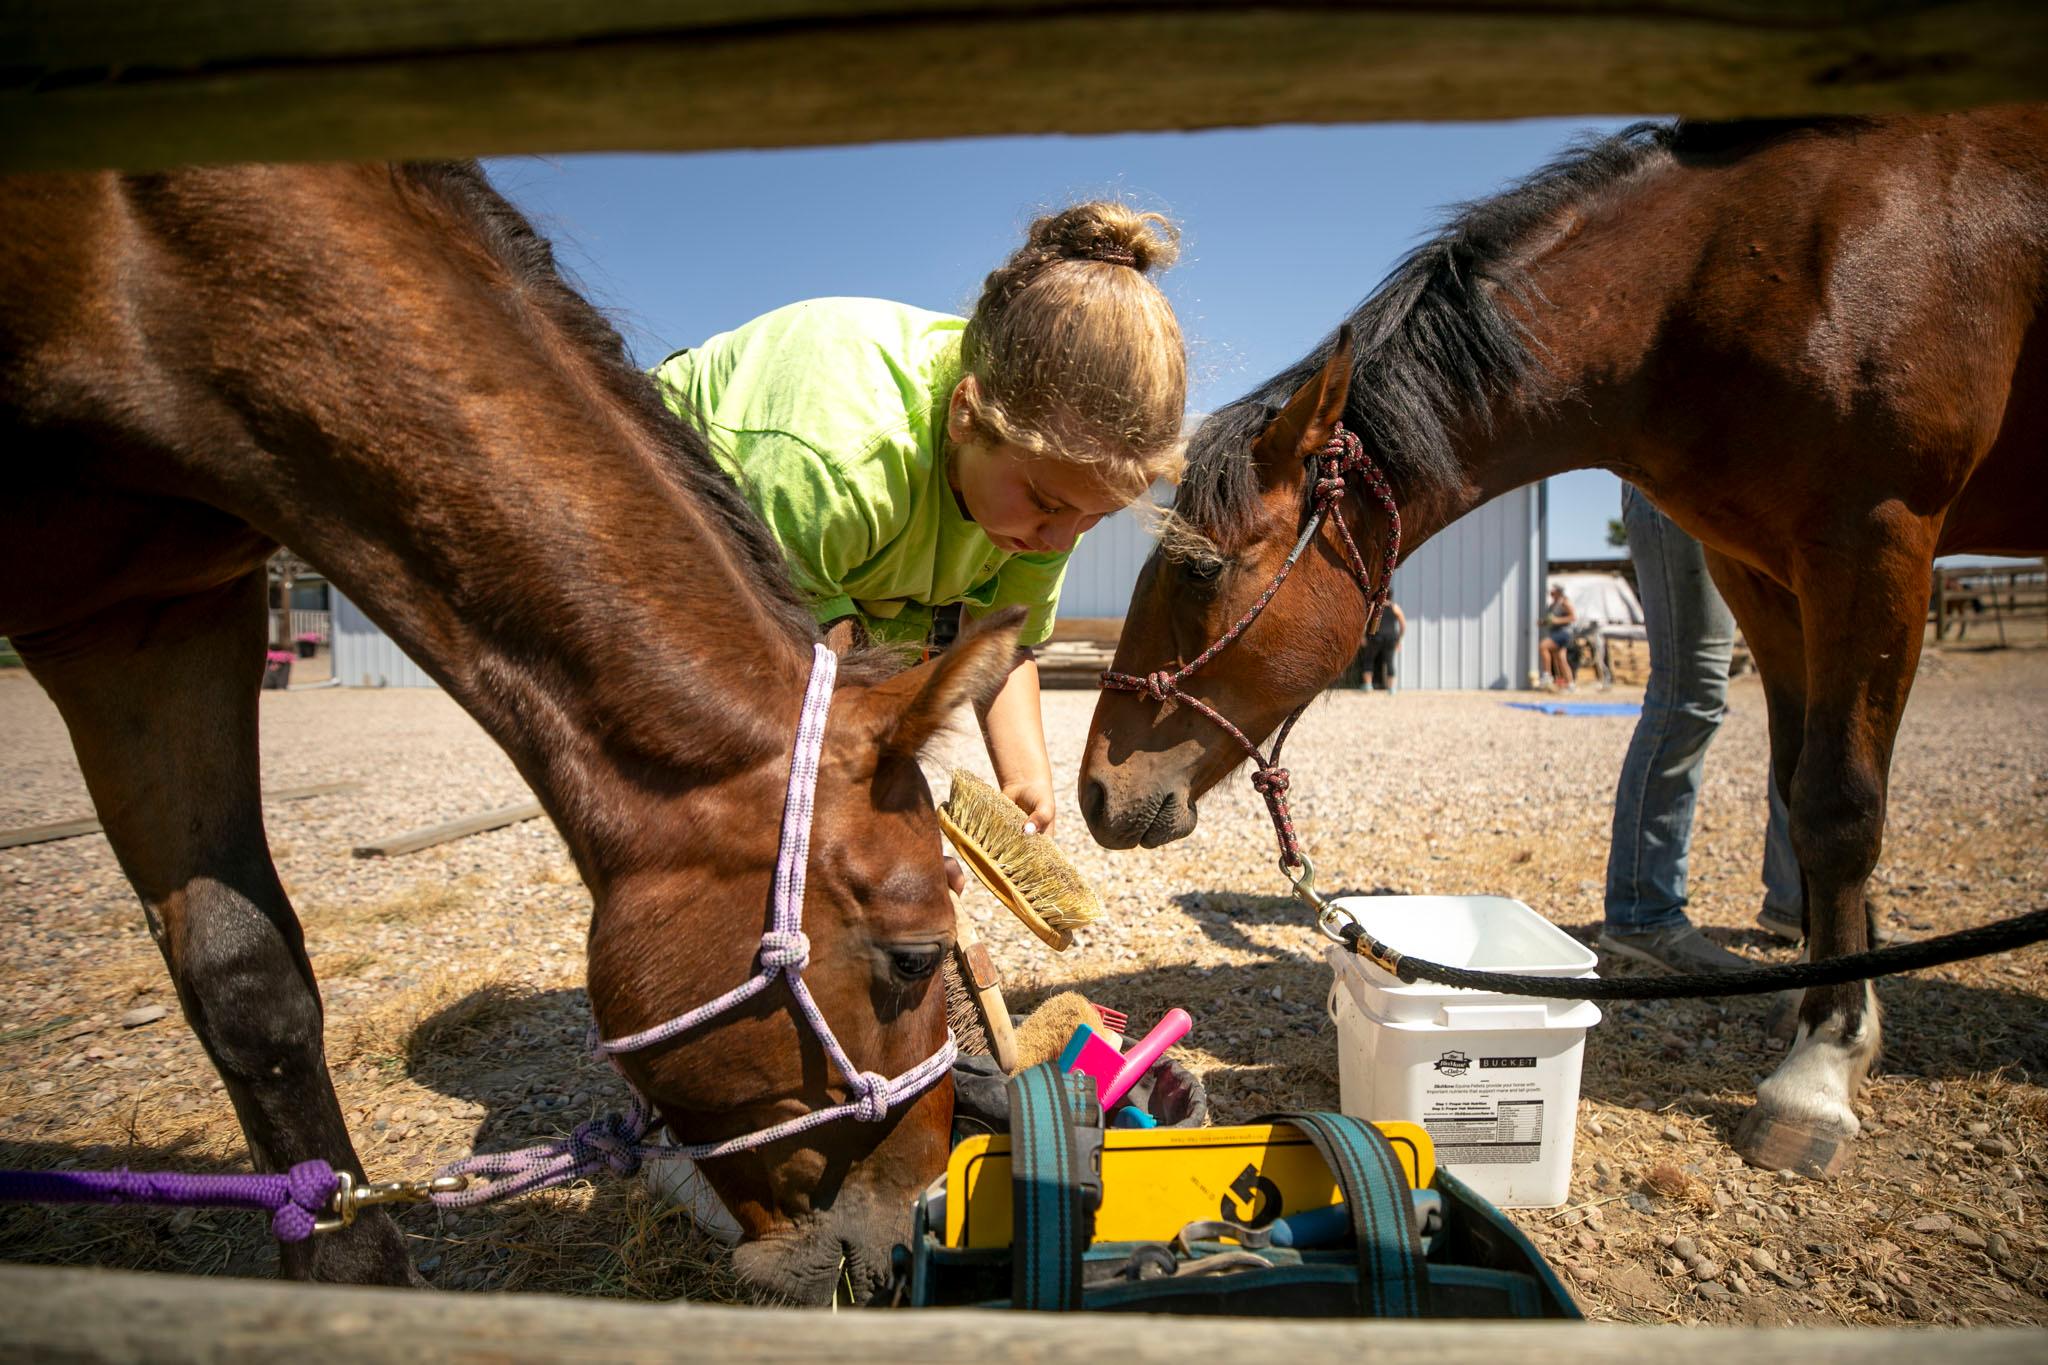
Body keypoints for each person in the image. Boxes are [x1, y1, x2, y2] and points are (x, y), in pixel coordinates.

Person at [655, 203, 1187, 837]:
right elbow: (820, 679)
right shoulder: (845, 461)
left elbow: (1003, 640)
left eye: (1096, 517)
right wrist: (895, 825)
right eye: (1049, 506)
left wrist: (1023, 776)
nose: (1059, 540)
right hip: (673, 508)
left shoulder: (1054, 493)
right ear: (967, 414)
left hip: (834, 573)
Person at [1597, 485, 1805, 973]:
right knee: (1690, 692)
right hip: (1682, 471)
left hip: (1779, 476)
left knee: (1808, 691)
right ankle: (1642, 913)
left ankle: (1799, 901)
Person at [1357, 600, 1406, 692]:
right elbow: (1403, 625)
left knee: (1369, 659)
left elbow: (1364, 621)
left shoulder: (1373, 606)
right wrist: (1398, 639)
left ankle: (1368, 686)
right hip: (1390, 638)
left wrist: (1362, 636)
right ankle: (1391, 688)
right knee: (1389, 662)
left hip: (1375, 637)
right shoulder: (1395, 608)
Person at [1539, 584, 1576, 689]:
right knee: (1560, 659)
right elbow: (1551, 620)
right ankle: (1570, 684)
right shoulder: (1552, 605)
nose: (1551, 594)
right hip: (1555, 633)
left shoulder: (1564, 602)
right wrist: (1543, 622)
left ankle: (1547, 675)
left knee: (1543, 646)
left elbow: (1573, 617)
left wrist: (1557, 620)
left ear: (1558, 592)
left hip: (1564, 633)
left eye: (1553, 592)